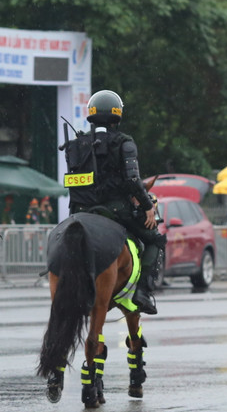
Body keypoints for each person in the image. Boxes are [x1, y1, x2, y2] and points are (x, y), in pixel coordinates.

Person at [62, 90, 164, 314]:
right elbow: (133, 180)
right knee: (156, 240)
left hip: (80, 211)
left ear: (91, 114)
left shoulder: (75, 145)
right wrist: (147, 206)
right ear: (117, 115)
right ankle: (143, 293)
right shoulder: (124, 143)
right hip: (115, 210)